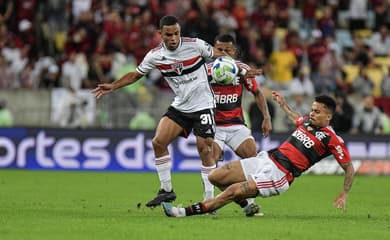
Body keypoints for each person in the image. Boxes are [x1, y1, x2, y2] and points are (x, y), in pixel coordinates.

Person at [92, 15, 262, 208]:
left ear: (180, 32)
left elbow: (220, 56)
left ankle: (209, 200)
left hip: (203, 105)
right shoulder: (155, 55)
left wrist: (241, 70)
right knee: (158, 142)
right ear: (160, 34)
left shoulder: (195, 45)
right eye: (168, 35)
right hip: (181, 105)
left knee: (205, 149)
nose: (173, 38)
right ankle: (166, 190)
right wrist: (113, 86)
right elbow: (136, 74)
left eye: (176, 33)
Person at [162, 92, 355, 217]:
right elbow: (295, 117)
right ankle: (248, 207)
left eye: (317, 112)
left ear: (328, 116)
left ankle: (183, 212)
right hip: (266, 159)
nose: (312, 114)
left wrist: (344, 194)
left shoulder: (333, 140)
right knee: (215, 176)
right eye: (312, 110)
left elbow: (349, 167)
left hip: (279, 175)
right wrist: (283, 104)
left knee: (232, 191)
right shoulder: (306, 123)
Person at [208, 33, 272, 215]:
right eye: (219, 49)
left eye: (227, 50)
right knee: (211, 163)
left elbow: (258, 93)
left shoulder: (242, 69)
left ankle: (249, 203)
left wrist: (266, 117)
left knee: (252, 156)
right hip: (213, 127)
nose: (223, 53)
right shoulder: (207, 70)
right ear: (213, 49)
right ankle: (210, 202)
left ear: (234, 50)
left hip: (236, 125)